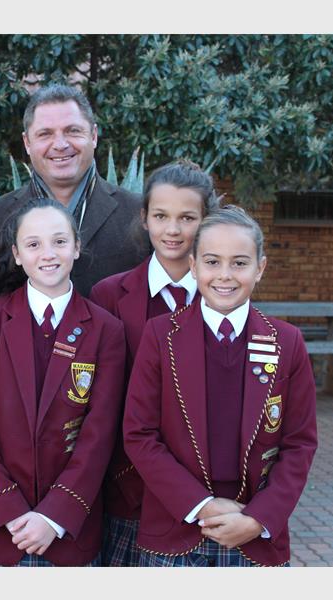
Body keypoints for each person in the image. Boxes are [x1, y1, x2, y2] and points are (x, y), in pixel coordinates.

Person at [123, 205, 318, 567]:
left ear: (260, 268)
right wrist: (202, 506)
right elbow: (139, 434)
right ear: (193, 265)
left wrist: (260, 518)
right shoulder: (161, 335)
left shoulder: (287, 342)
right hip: (175, 529)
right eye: (212, 262)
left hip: (255, 532)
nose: (225, 275)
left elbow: (300, 443)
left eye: (239, 263)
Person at [0, 197, 126, 566]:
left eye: (59, 241)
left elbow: (99, 432)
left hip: (70, 533)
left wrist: (55, 515)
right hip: (2, 531)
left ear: (76, 247)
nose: (48, 254)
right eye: (33, 244)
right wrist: (8, 508)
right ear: (16, 254)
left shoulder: (106, 330)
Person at [89, 159, 218, 566]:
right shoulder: (109, 295)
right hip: (127, 491)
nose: (173, 230)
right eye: (161, 216)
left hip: (207, 491)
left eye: (187, 218)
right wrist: (126, 480)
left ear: (206, 221)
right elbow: (101, 400)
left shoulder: (223, 296)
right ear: (144, 218)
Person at [0, 83, 147, 297]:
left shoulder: (139, 215)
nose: (60, 144)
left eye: (73, 131)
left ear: (93, 135)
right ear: (27, 142)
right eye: (45, 134)